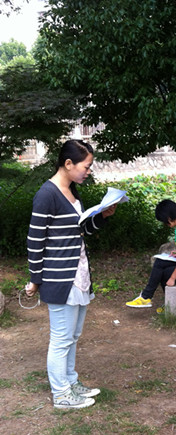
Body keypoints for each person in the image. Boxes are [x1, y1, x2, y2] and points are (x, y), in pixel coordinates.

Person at [26, 139, 118, 409]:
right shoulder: (47, 194)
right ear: (68, 164)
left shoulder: (71, 192)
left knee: (72, 336)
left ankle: (70, 382)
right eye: (86, 167)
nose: (88, 171)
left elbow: (78, 231)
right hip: (59, 278)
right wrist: (35, 278)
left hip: (78, 274)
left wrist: (101, 216)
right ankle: (62, 395)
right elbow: (35, 239)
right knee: (61, 339)